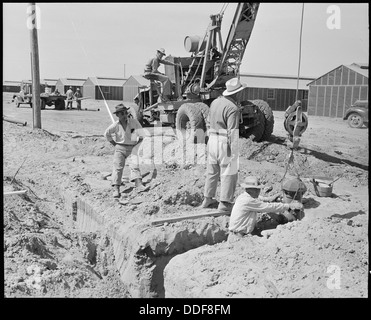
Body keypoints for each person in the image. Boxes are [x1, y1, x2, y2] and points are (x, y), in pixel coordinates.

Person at [201, 77, 245, 213]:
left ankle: (208, 198)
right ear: (237, 93)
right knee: (228, 172)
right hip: (224, 141)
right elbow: (233, 132)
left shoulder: (215, 102)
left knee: (212, 171)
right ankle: (225, 203)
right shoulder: (232, 108)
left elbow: (208, 122)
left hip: (212, 139)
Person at [228, 176, 304, 239]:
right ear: (251, 190)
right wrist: (288, 206)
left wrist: (269, 198)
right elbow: (267, 207)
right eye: (257, 189)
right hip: (238, 237)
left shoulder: (244, 196)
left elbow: (259, 199)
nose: (259, 191)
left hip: (238, 234)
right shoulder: (248, 201)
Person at [104, 103, 149, 198]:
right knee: (118, 167)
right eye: (122, 113)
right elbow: (106, 134)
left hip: (132, 147)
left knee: (134, 166)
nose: (124, 115)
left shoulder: (134, 122)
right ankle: (116, 188)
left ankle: (139, 184)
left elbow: (142, 135)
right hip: (120, 148)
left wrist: (137, 145)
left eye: (125, 113)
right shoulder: (115, 125)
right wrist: (114, 144)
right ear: (117, 115)